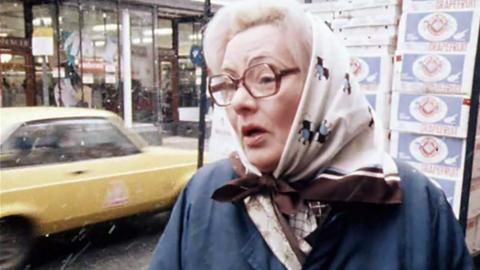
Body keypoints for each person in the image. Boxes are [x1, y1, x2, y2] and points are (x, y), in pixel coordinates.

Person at [149, 1, 474, 269]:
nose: (239, 102)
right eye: (229, 84)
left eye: (264, 78)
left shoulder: (415, 203)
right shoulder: (206, 195)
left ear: (322, 87)